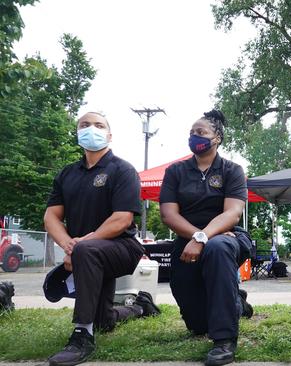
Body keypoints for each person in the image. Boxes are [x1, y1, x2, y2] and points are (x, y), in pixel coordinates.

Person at [43, 112, 160, 366]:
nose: (91, 129)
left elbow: (122, 219)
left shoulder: (123, 170)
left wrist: (80, 245)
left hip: (123, 248)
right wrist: (68, 244)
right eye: (84, 125)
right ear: (77, 133)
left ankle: (82, 335)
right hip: (86, 253)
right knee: (104, 320)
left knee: (87, 252)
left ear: (109, 135)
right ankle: (141, 307)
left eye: (98, 125)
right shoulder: (66, 174)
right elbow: (51, 216)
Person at [159, 109, 253, 366]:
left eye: (200, 132)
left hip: (227, 236)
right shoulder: (175, 172)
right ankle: (236, 303)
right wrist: (195, 237)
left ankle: (224, 340)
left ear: (217, 138)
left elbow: (232, 213)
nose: (194, 137)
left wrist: (203, 237)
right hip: (185, 242)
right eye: (191, 133)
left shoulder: (232, 170)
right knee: (198, 325)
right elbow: (168, 215)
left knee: (218, 248)